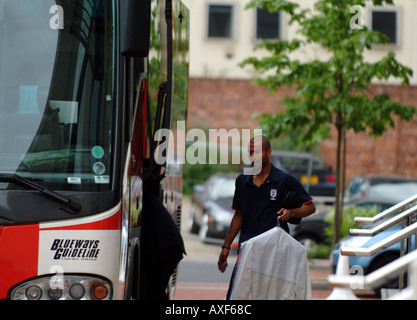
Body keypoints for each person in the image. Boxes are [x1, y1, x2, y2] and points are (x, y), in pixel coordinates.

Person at [217, 136, 316, 297]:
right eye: (250, 152)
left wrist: (291, 212)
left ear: (268, 152)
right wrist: (226, 246)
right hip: (248, 248)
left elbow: (310, 207)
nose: (253, 156)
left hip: (275, 253)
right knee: (238, 295)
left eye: (257, 151)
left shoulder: (285, 180)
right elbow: (238, 215)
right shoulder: (242, 180)